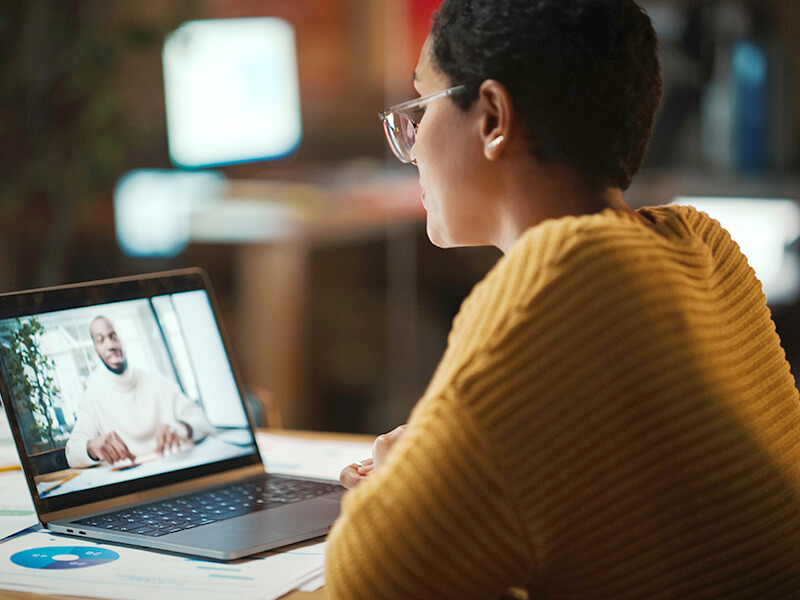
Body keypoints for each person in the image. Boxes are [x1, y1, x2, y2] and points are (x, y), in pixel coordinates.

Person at [324, 0, 800, 598]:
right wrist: (440, 466)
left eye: (421, 108)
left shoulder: (554, 282)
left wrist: (398, 484)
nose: (413, 149)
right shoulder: (700, 243)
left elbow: (367, 580)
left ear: (493, 116)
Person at [65, 316, 215, 468]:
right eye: (101, 340)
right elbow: (71, 454)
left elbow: (204, 423)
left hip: (172, 471)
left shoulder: (158, 382)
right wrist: (91, 447)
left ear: (123, 342)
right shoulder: (92, 397)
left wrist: (182, 428)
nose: (110, 345)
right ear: (96, 350)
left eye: (114, 337)